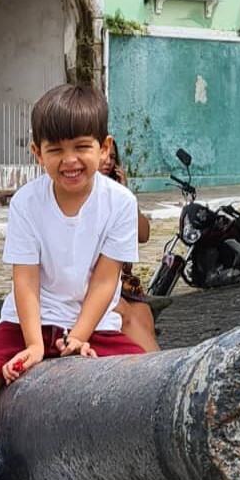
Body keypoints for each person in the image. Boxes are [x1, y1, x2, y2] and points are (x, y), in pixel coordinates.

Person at [0, 84, 146, 453]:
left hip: (95, 327)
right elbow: (26, 281)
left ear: (104, 148)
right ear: (38, 153)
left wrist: (78, 337)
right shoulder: (26, 203)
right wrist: (35, 344)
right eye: (56, 150)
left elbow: (105, 282)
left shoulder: (120, 204)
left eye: (81, 147)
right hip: (26, 326)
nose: (70, 160)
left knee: (150, 396)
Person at [100, 141, 160, 353]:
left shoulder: (119, 197)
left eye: (112, 157)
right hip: (98, 283)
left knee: (145, 323)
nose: (108, 161)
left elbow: (143, 235)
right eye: (103, 155)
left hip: (124, 283)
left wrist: (126, 195)